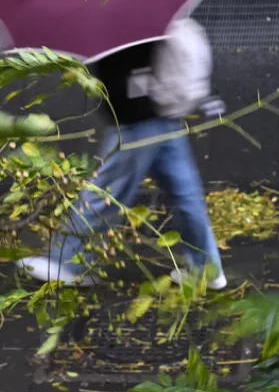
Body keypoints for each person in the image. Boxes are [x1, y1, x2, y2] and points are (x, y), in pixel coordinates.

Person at [16, 40, 227, 290]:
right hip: (163, 116)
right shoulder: (149, 26)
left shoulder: (129, 34)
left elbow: (129, 68)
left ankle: (67, 263)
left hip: (137, 120)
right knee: (186, 195)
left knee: (104, 192)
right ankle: (206, 269)